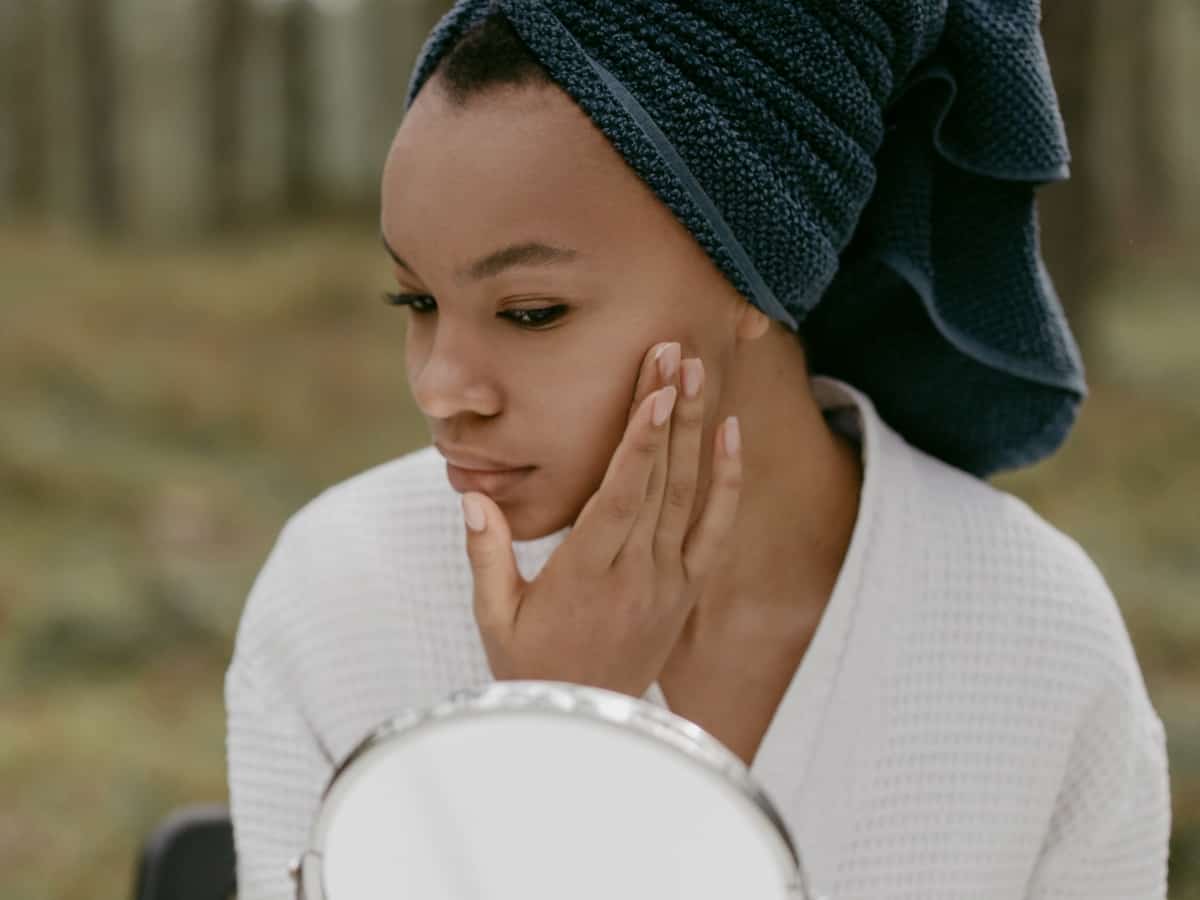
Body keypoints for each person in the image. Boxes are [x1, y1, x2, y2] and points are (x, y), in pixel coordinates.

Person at [225, 2, 1172, 898]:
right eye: (418, 302)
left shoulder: (1034, 635)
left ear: (761, 273)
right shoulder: (339, 597)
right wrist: (543, 739)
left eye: (530, 312)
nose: (440, 389)